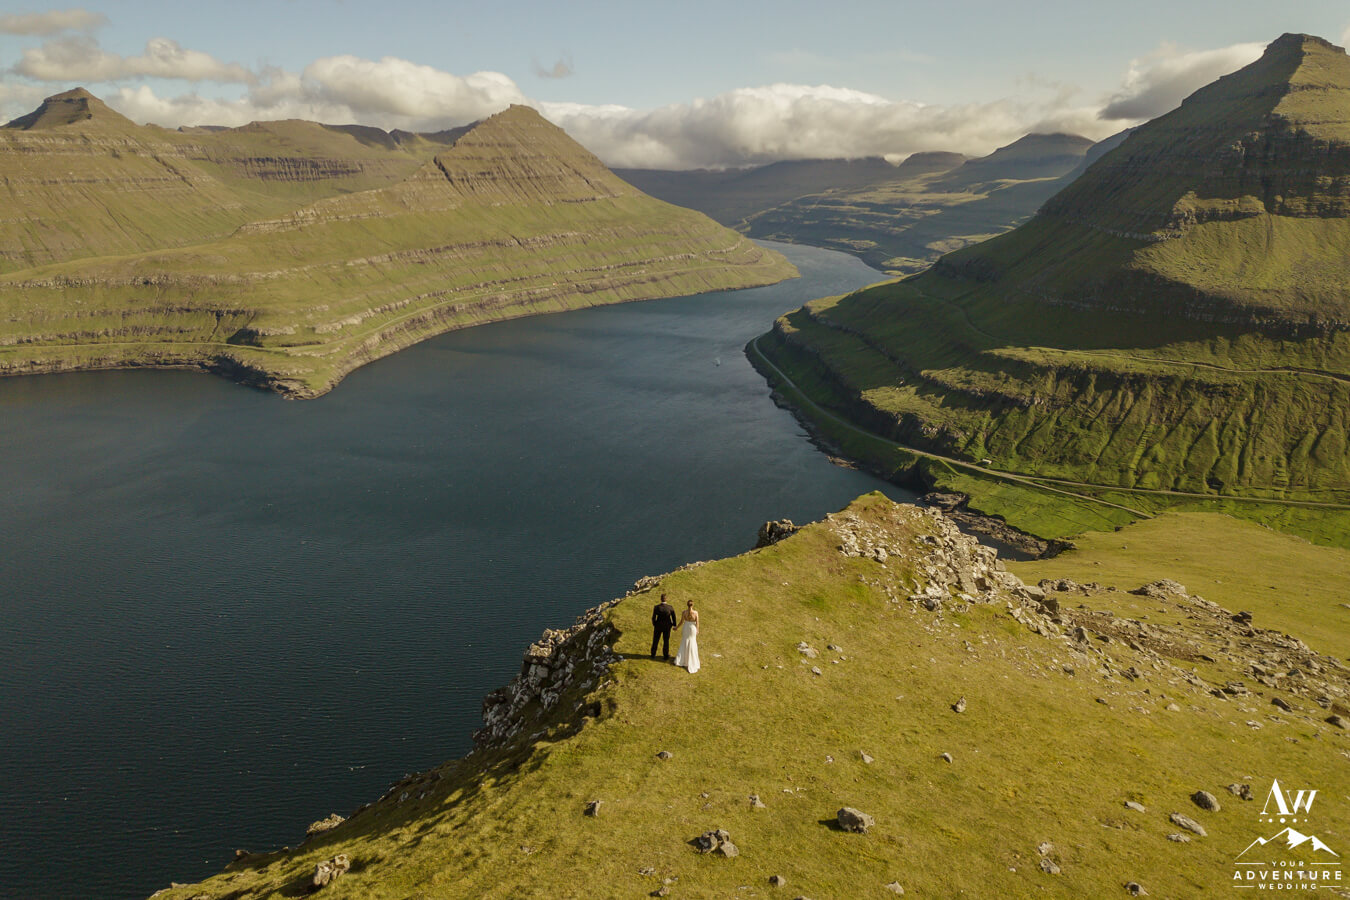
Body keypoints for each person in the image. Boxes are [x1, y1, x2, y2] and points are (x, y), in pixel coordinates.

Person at [673, 598, 700, 674]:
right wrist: (697, 630)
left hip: (686, 627)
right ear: (693, 605)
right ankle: (691, 660)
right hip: (692, 628)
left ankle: (682, 659)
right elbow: (697, 622)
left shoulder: (684, 612)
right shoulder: (695, 613)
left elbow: (681, 621)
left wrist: (676, 627)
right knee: (692, 642)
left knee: (684, 641)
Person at [650, 593, 677, 660]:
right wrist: (674, 624)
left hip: (658, 626)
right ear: (666, 599)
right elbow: (673, 617)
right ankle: (665, 655)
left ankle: (653, 654)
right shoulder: (670, 607)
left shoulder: (656, 607)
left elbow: (653, 617)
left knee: (655, 640)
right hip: (667, 627)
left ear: (661, 599)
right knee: (666, 641)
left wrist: (655, 624)